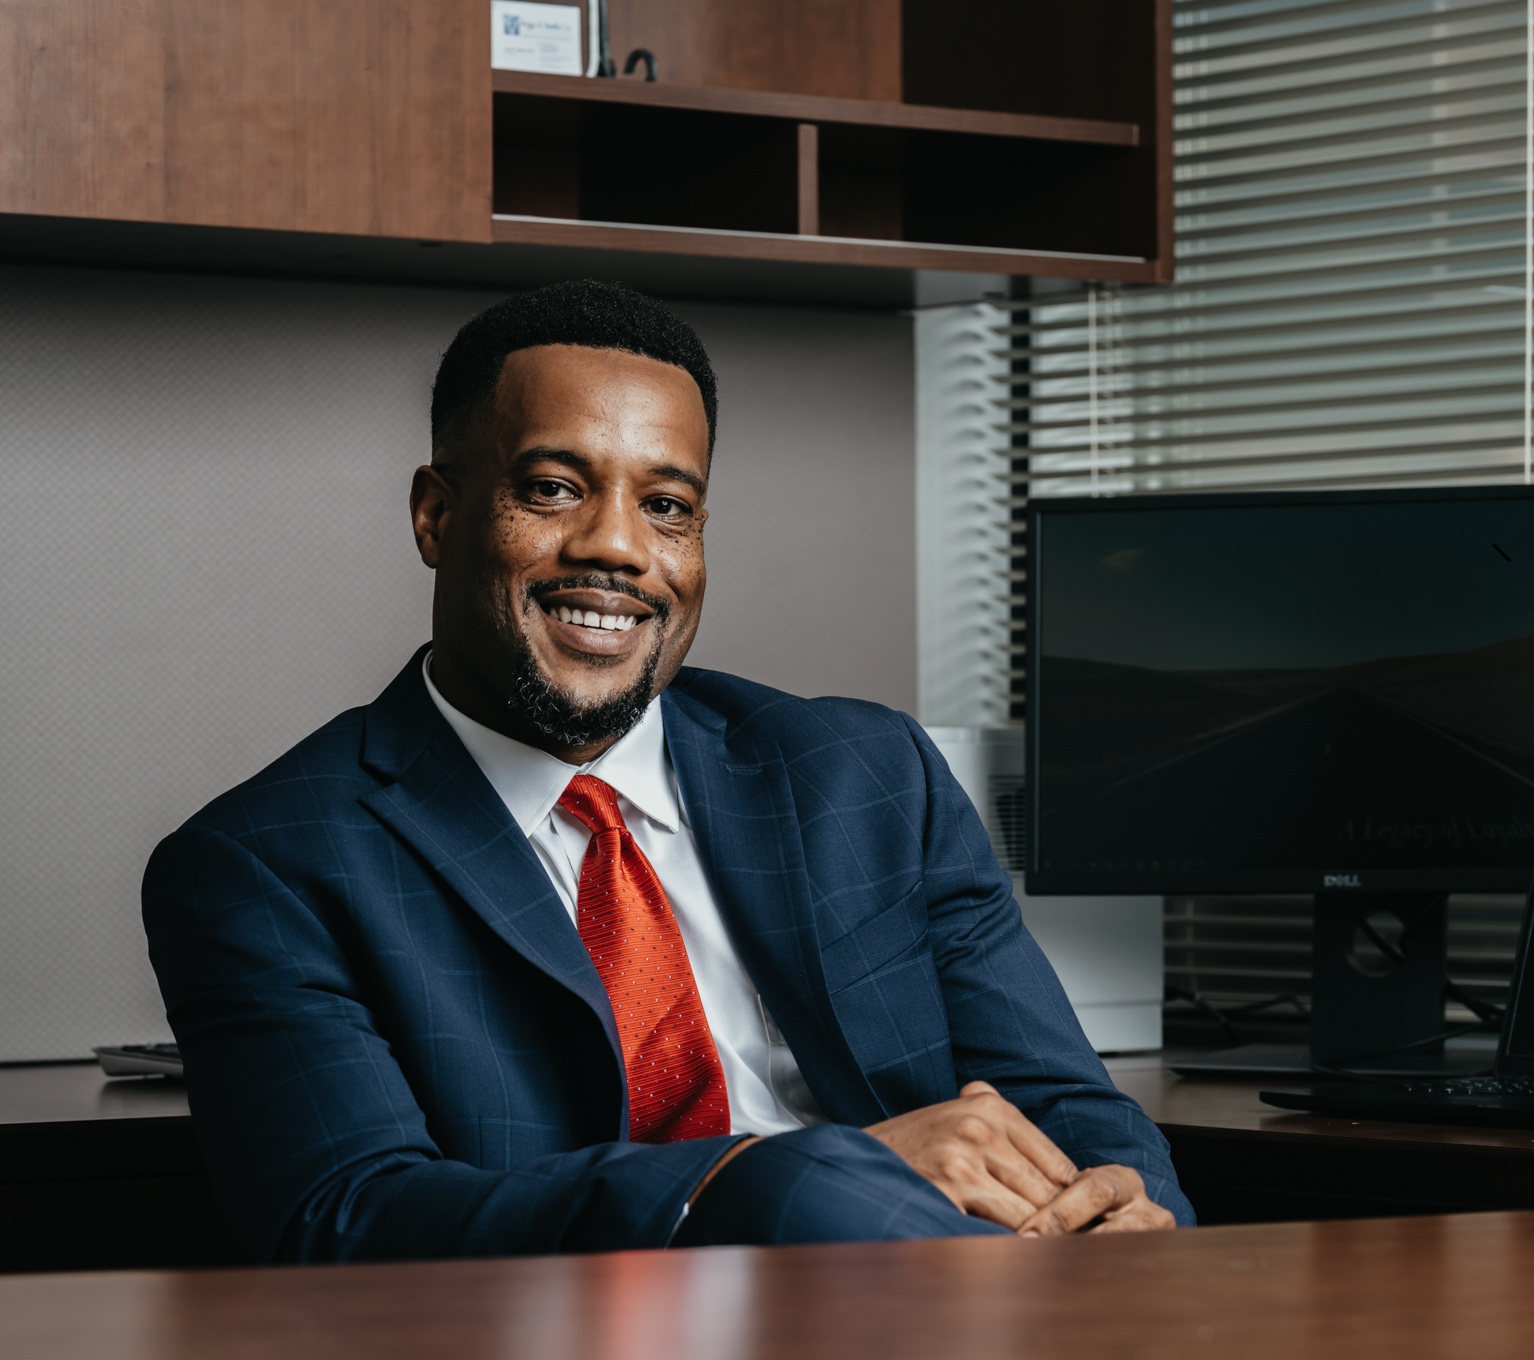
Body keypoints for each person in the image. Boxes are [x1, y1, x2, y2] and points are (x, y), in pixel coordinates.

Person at [143, 280, 1192, 1263]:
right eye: (553, 488)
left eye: (668, 507)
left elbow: (1070, 1105)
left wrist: (1127, 1213)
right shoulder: (263, 865)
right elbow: (348, 1217)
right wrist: (769, 1173)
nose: (617, 549)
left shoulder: (870, 776)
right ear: (436, 514)